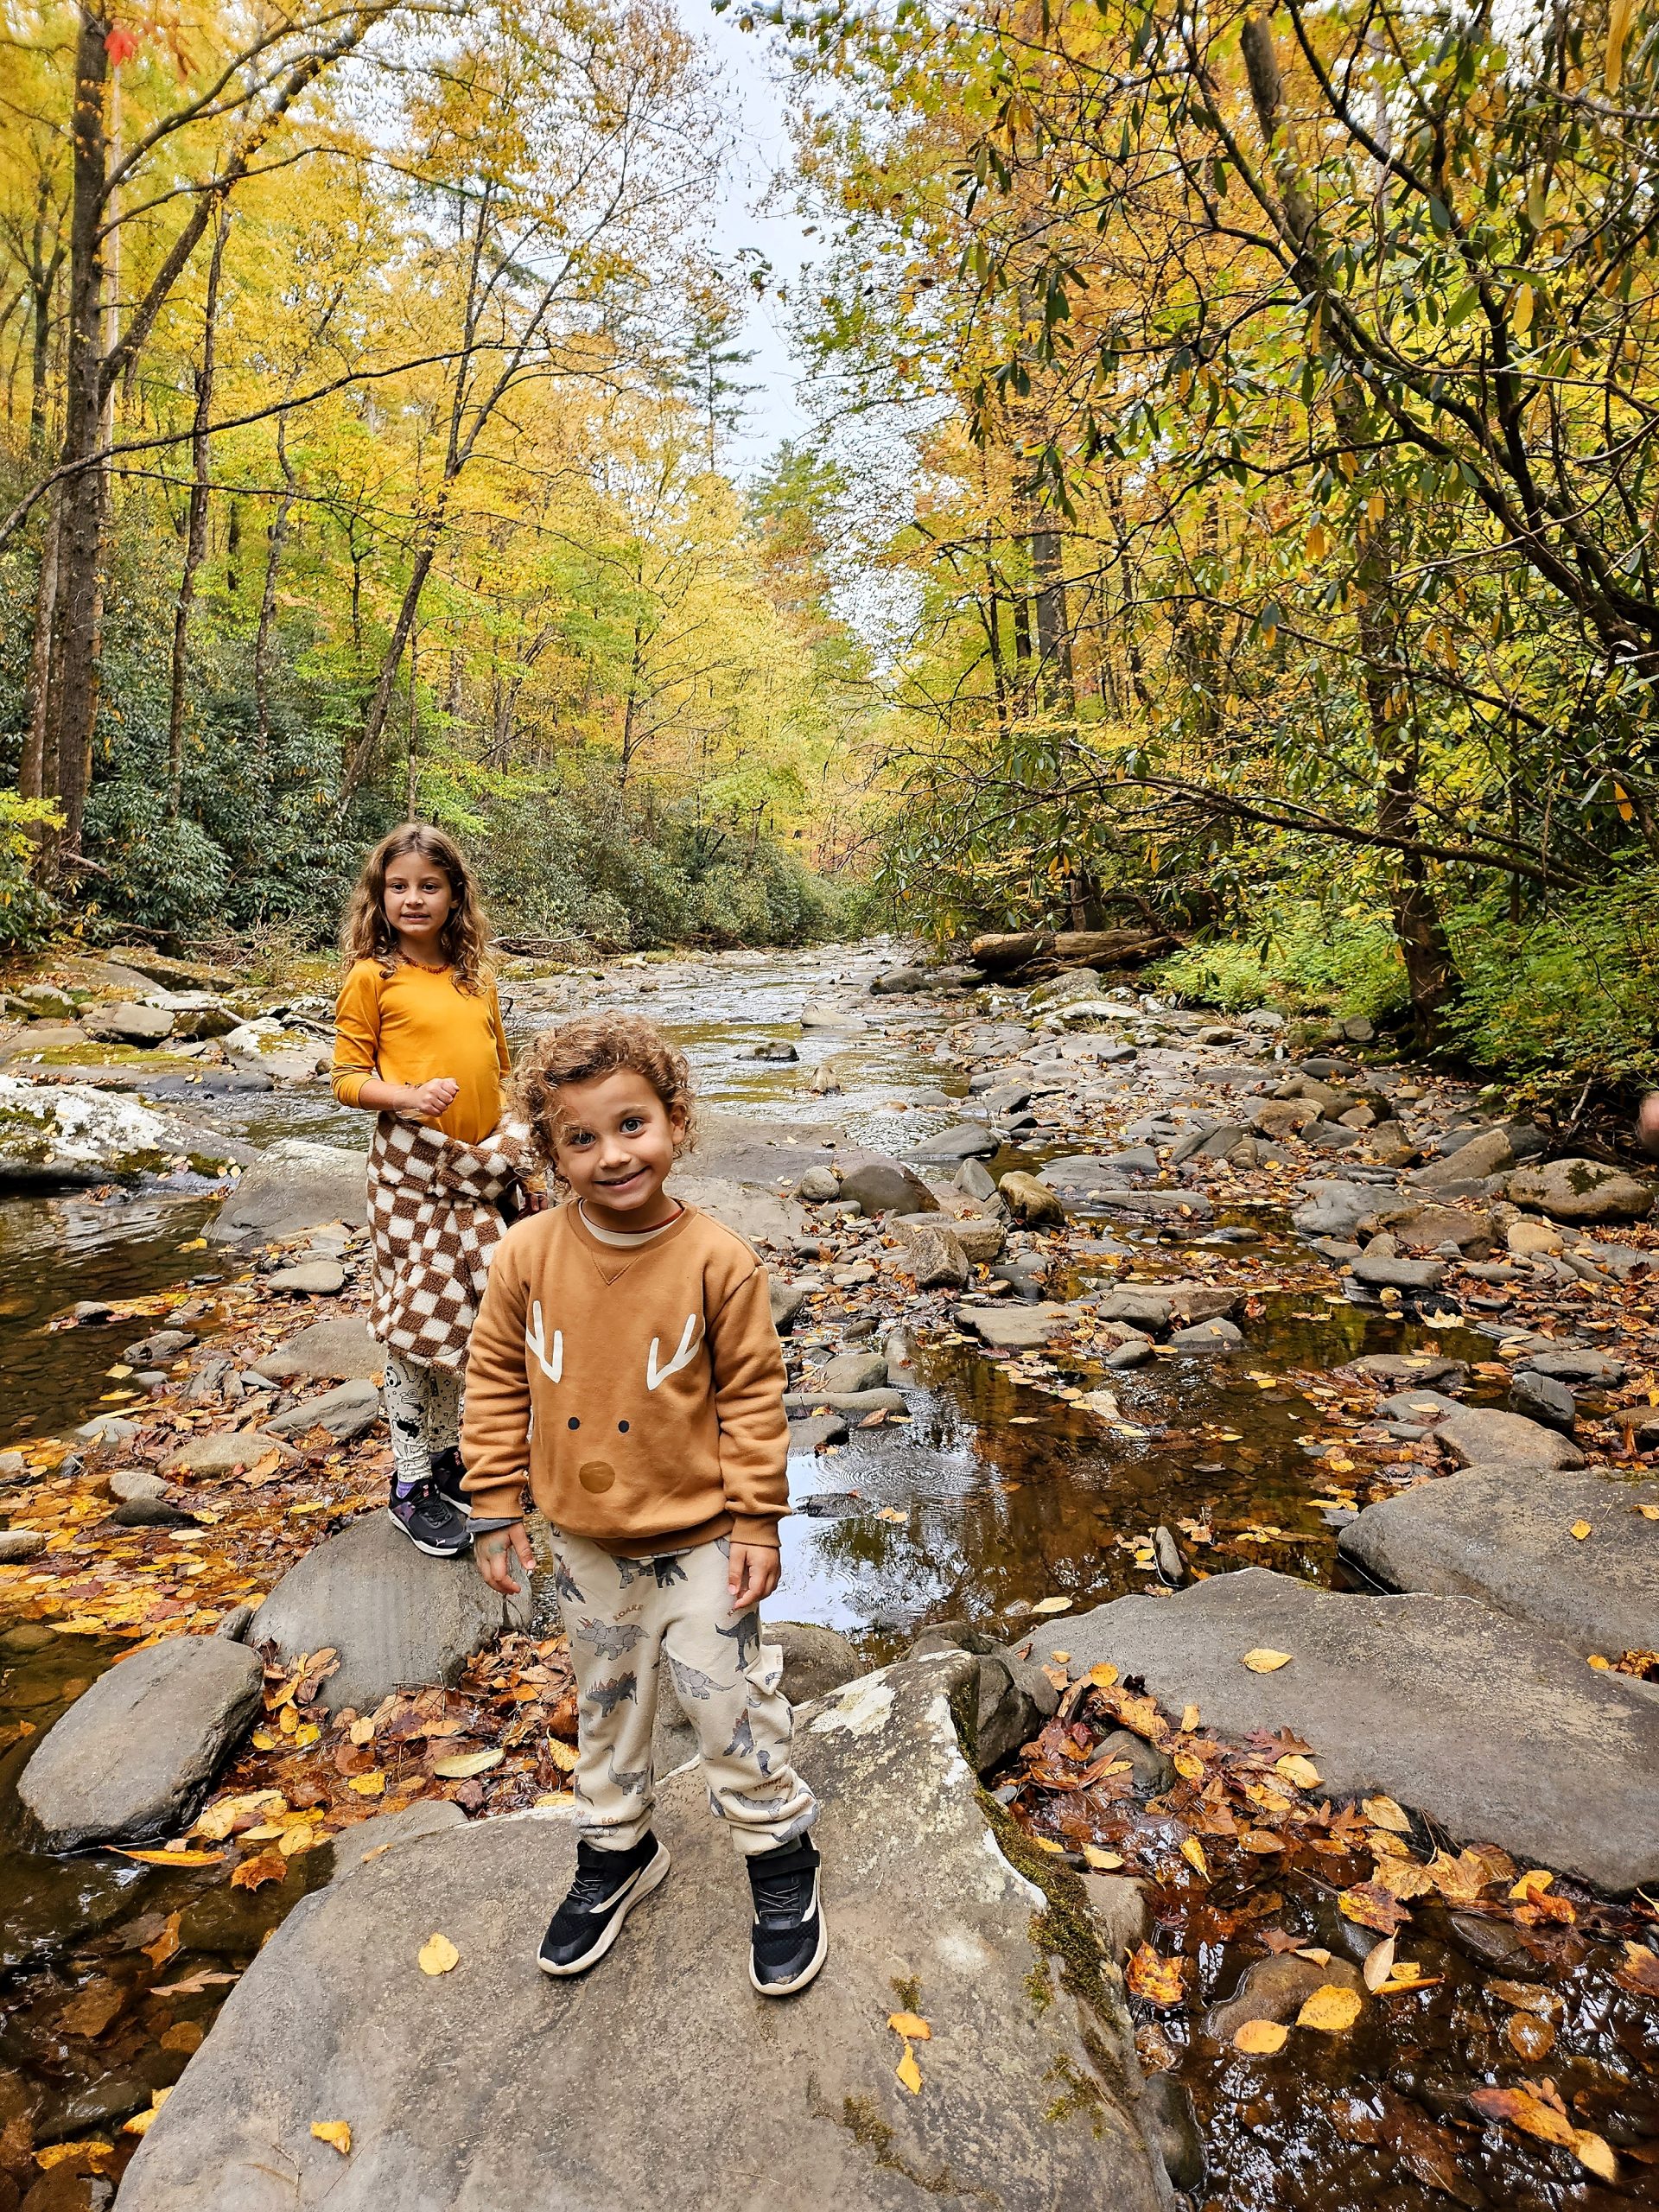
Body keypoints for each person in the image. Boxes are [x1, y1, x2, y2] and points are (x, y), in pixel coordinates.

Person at [461, 1013, 826, 1998]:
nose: (612, 1154)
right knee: (608, 1701)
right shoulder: (524, 1258)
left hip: (707, 1536)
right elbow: (494, 1380)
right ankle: (618, 1847)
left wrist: (758, 1518)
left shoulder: (717, 1259)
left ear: (675, 1122)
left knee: (729, 1706)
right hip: (585, 1542)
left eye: (633, 1126)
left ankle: (779, 1856)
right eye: (581, 1139)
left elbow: (753, 1395)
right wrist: (495, 1505)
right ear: (550, 1153)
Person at [333, 823, 533, 1560]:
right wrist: (407, 1095)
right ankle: (409, 1481)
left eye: (429, 886)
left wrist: (520, 1150)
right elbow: (346, 1079)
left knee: (472, 1314)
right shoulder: (372, 977)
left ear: (454, 896)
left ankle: (449, 1457)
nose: (413, 898)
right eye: (398, 886)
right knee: (415, 1320)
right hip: (410, 1174)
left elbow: (499, 1070)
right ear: (379, 896)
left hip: (479, 1172)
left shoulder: (474, 974)